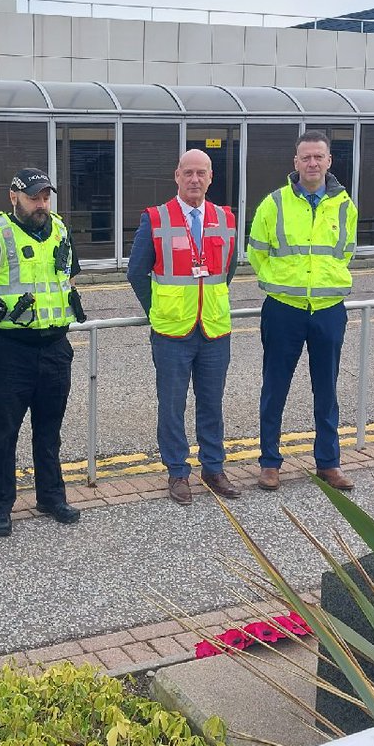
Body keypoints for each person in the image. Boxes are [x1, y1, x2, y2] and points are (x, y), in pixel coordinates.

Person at [0, 168, 85, 537]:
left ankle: (51, 496)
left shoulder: (60, 229)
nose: (41, 204)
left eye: (45, 197)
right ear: (14, 197)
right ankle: (0, 507)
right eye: (33, 197)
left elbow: (68, 275)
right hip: (11, 350)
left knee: (49, 430)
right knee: (4, 432)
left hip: (55, 347)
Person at [127, 149, 241, 506]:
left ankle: (213, 468)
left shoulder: (226, 217)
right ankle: (177, 471)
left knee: (212, 403)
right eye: (188, 173)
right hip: (172, 332)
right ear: (177, 176)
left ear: (211, 178)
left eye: (201, 173)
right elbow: (136, 273)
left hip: (213, 331)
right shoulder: (156, 218)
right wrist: (158, 309)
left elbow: (228, 270)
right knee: (172, 405)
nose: (195, 179)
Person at [248, 130, 358, 492]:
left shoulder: (344, 205)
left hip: (328, 309)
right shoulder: (274, 204)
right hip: (284, 309)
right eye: (305, 157)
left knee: (326, 389)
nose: (312, 163)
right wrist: (277, 283)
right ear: (295, 163)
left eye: (318, 157)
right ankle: (269, 463)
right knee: (275, 387)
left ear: (329, 161)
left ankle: (329, 462)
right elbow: (257, 252)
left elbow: (345, 253)